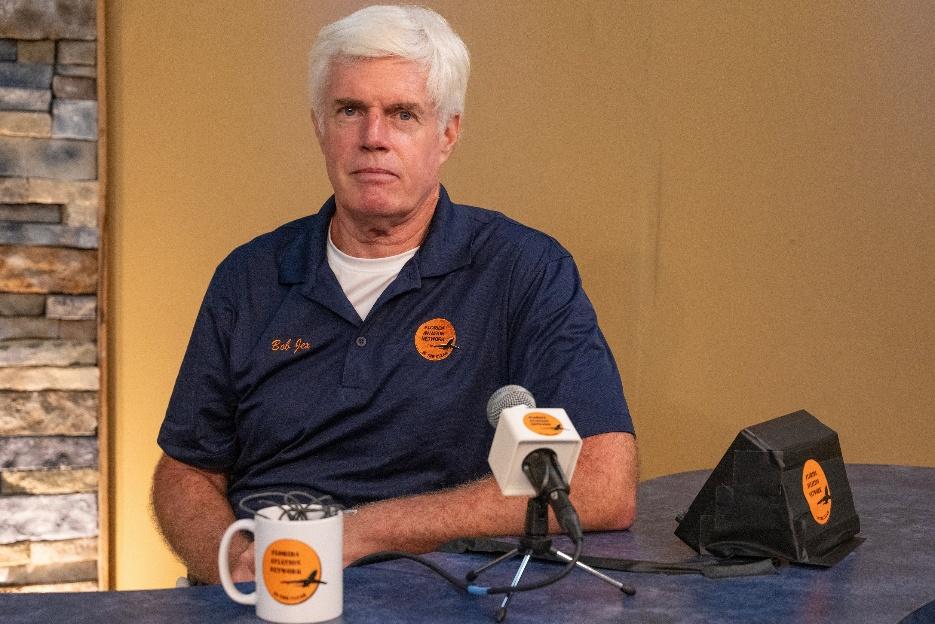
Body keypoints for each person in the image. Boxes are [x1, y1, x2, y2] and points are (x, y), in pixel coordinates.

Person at [152, 5, 637, 585]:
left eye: (403, 114)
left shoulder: (523, 271)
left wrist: (357, 533)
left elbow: (604, 485)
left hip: (443, 590)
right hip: (270, 590)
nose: (373, 138)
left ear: (447, 134)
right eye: (350, 110)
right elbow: (186, 472)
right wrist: (232, 566)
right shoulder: (249, 277)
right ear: (319, 127)